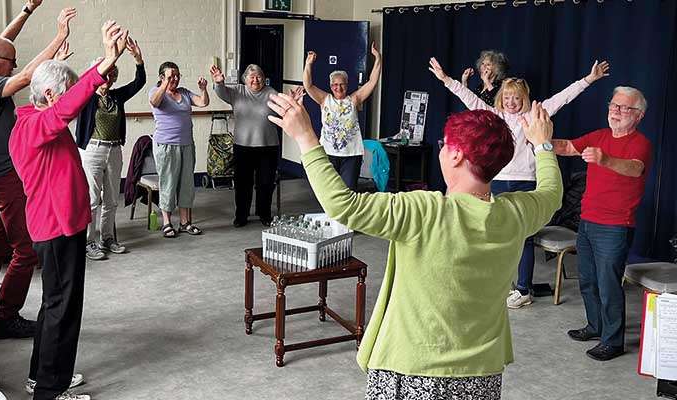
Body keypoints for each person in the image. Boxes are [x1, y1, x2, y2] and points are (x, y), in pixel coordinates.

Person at [267, 88, 562, 399]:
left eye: (444, 146)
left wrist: (306, 139)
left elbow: (344, 206)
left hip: (412, 369)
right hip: (481, 374)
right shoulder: (515, 214)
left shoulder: (425, 211)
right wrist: (542, 145)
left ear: (457, 155)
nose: (441, 151)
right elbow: (552, 194)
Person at [9, 20, 130, 400]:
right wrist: (102, 64)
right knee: (63, 309)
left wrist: (99, 68)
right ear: (47, 95)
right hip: (56, 228)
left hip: (63, 225)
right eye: (58, 96)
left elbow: (65, 105)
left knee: (53, 305)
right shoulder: (33, 126)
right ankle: (50, 390)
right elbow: (63, 110)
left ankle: (40, 375)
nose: (69, 108)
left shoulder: (38, 120)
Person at [429, 57, 609, 309]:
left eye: (516, 98)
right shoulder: (494, 115)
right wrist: (446, 79)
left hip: (526, 182)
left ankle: (523, 289)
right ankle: (494, 283)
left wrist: (589, 79)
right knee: (491, 233)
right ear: (501, 99)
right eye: (507, 98)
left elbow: (564, 97)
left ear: (524, 99)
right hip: (499, 181)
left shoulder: (535, 116)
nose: (511, 103)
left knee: (524, 238)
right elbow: (469, 99)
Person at [0, 0, 75, 339]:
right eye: (9, 62)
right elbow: (26, 77)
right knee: (25, 249)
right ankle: (6, 316)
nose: (15, 65)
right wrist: (58, 38)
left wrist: (27, 10)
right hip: (2, 176)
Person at [553, 87, 652, 361]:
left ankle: (613, 341)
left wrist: (604, 159)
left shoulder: (640, 143)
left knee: (608, 284)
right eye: (614, 105)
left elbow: (635, 168)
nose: (616, 111)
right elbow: (567, 146)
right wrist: (538, 140)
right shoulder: (599, 135)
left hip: (615, 225)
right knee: (587, 279)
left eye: (624, 108)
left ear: (639, 115)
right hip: (587, 221)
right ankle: (595, 326)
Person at [75, 37, 145, 260]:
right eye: (106, 73)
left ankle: (107, 238)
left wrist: (138, 59)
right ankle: (89, 242)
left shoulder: (116, 96)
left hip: (114, 150)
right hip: (92, 150)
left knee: (112, 198)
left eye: (113, 74)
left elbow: (139, 82)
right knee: (92, 198)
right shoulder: (86, 97)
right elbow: (82, 82)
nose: (110, 78)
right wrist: (108, 57)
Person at [302, 42, 382, 190]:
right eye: (335, 85)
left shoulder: (354, 99)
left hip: (351, 155)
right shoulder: (324, 99)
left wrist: (377, 57)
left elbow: (372, 81)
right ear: (331, 86)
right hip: (328, 153)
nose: (338, 88)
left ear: (347, 84)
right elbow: (308, 85)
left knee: (348, 190)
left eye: (342, 84)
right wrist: (308, 64)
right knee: (329, 190)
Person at [210, 64, 279, 227]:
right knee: (242, 184)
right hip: (243, 146)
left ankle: (265, 214)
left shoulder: (271, 93)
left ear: (264, 78)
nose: (255, 80)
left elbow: (283, 109)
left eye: (259, 76)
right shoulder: (238, 91)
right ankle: (241, 215)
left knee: (266, 183)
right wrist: (219, 83)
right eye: (251, 77)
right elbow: (221, 92)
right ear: (245, 79)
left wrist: (293, 100)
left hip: (267, 146)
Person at [148, 61, 209, 238]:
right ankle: (167, 223)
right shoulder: (155, 91)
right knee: (168, 183)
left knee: (186, 184)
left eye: (177, 75)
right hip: (166, 146)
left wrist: (203, 89)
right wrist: (165, 84)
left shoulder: (184, 93)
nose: (175, 78)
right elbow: (155, 101)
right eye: (170, 75)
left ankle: (185, 223)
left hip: (186, 145)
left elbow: (203, 102)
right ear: (162, 77)